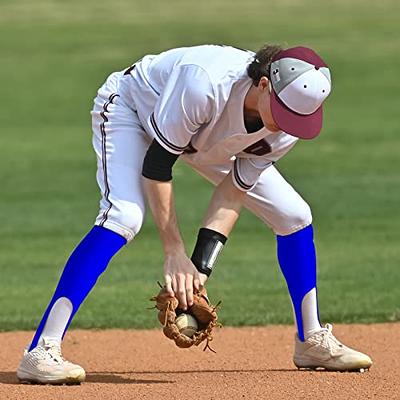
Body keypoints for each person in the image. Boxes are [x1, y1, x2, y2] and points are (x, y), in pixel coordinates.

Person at [17, 44, 372, 384]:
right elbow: (157, 165)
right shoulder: (204, 83)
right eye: (283, 113)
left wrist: (198, 272)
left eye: (296, 119)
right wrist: (174, 253)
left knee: (294, 215)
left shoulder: (286, 125)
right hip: (133, 112)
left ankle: (311, 341)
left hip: (203, 138)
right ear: (264, 84)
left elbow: (233, 192)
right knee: (124, 216)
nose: (286, 125)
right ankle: (41, 350)